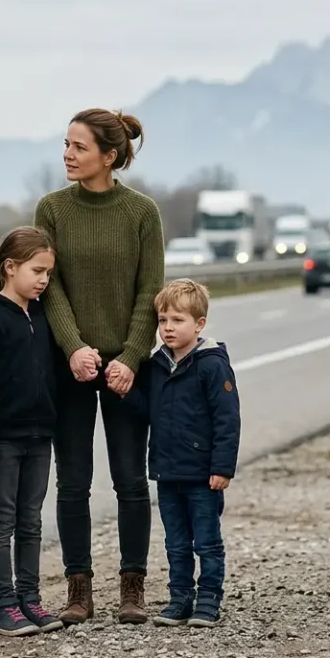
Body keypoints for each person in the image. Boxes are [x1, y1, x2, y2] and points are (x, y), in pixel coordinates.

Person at [33, 108, 166, 625]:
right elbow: (50, 286)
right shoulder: (52, 209)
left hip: (126, 367)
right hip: (69, 365)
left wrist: (131, 357)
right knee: (73, 482)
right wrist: (73, 348)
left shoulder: (141, 212)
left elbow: (148, 291)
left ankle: (132, 587)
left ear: (108, 156)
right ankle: (78, 589)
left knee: (131, 480)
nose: (67, 154)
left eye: (78, 147)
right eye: (65, 144)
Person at [0, 226, 65, 637]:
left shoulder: (40, 314)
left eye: (48, 274)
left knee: (32, 520)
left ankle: (31, 600)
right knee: (1, 522)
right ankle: (5, 606)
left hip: (40, 437)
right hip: (2, 440)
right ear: (9, 267)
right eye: (37, 271)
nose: (43, 280)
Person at [121, 279, 240, 628]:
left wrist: (222, 467)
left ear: (199, 324)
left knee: (206, 542)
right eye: (163, 321)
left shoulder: (212, 365)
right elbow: (150, 411)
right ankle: (180, 599)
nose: (168, 328)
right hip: (168, 473)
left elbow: (227, 419)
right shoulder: (158, 365)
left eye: (177, 320)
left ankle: (208, 600)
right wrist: (124, 391)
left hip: (203, 475)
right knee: (175, 543)